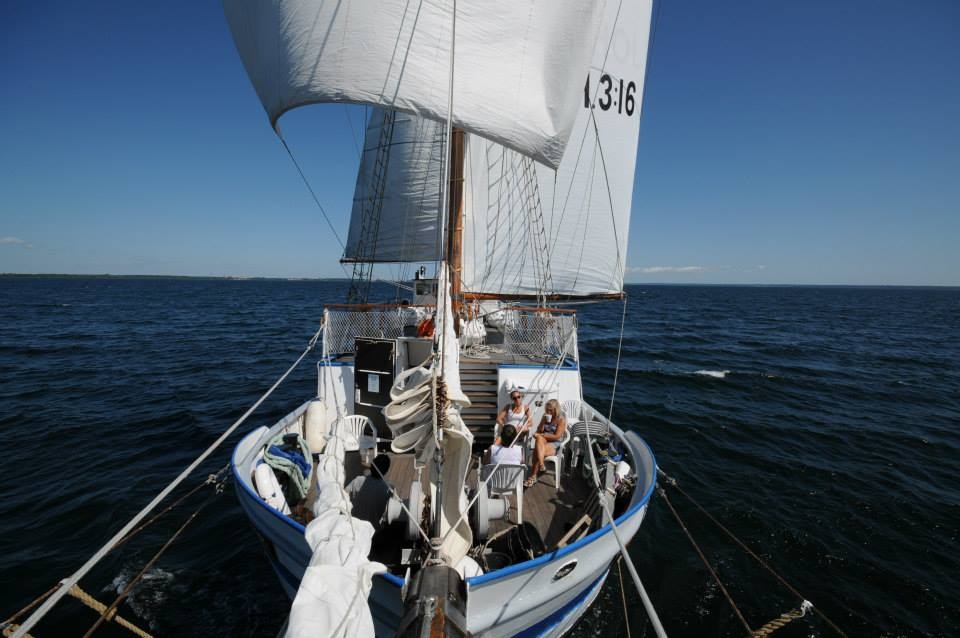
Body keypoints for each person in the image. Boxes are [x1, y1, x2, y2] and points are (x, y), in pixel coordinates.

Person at [525, 399, 566, 487]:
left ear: (556, 410)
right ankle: (541, 465)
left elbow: (557, 437)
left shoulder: (561, 419)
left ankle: (533, 476)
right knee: (539, 439)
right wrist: (543, 421)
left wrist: (542, 435)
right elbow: (539, 430)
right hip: (544, 441)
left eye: (551, 410)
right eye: (547, 410)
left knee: (537, 450)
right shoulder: (545, 416)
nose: (548, 412)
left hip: (555, 444)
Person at [345, 454, 392, 529]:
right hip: (372, 529)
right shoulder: (387, 489)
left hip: (353, 524)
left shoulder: (358, 480)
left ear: (371, 466)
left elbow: (344, 494)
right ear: (386, 471)